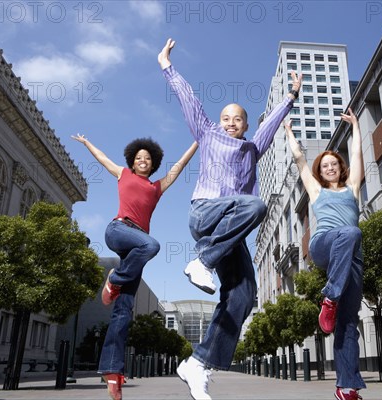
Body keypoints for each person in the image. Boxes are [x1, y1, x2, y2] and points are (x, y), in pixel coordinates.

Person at [157, 38, 301, 400]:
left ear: (245, 124)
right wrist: (167, 65)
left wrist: (291, 97)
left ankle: (198, 363)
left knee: (243, 295)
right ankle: (201, 263)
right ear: (218, 123)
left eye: (238, 119)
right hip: (205, 214)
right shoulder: (206, 134)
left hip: (229, 236)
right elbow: (188, 100)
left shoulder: (253, 149)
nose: (231, 123)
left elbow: (269, 126)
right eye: (226, 118)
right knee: (255, 206)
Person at [72, 133, 197, 400]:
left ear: (153, 164)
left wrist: (196, 142)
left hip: (135, 245)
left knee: (123, 312)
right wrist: (87, 143)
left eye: (147, 158)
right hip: (118, 230)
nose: (143, 160)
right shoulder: (123, 175)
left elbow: (179, 167)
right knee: (152, 246)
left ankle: (112, 373)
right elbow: (103, 158)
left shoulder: (156, 188)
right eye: (138, 157)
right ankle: (115, 278)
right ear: (132, 161)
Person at [284, 108, 366, 400]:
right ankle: (329, 297)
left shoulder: (352, 188)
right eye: (325, 165)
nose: (330, 167)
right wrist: (289, 131)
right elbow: (299, 159)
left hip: (351, 258)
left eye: (334, 164)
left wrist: (356, 126)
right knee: (352, 232)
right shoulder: (316, 191)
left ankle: (345, 387)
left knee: (348, 323)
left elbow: (357, 154)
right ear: (320, 172)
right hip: (323, 246)